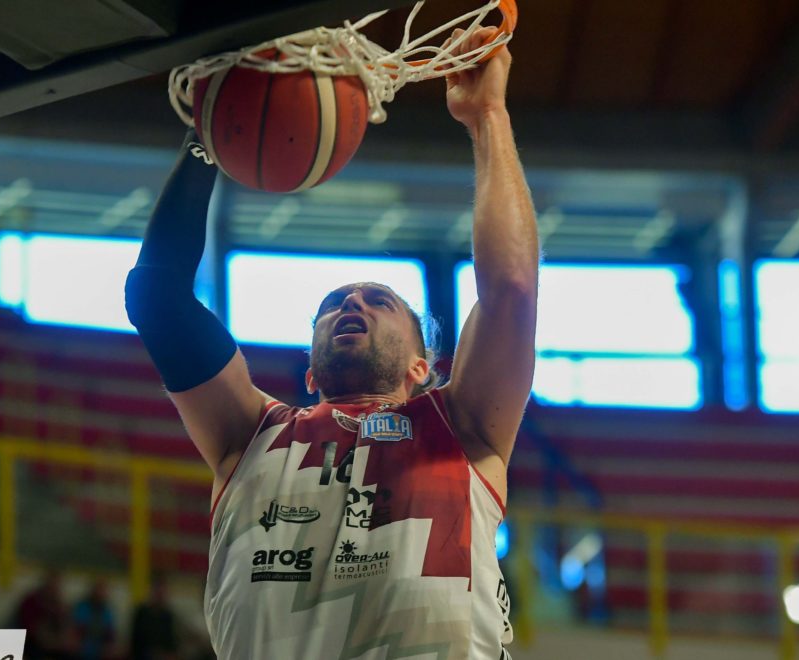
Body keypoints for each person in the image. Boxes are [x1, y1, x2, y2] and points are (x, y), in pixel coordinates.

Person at [125, 27, 537, 660]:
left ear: (422, 367)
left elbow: (510, 287)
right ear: (310, 374)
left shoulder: (462, 425)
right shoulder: (251, 433)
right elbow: (157, 296)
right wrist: (212, 131)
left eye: (379, 301)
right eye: (333, 306)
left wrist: (488, 117)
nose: (351, 304)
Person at [129, 576, 180, 660]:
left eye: (162, 593)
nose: (160, 595)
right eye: (158, 592)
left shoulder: (167, 617)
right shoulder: (141, 613)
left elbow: (171, 642)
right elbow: (135, 642)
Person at [71, 578, 117, 660]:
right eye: (99, 590)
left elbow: (110, 632)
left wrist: (110, 645)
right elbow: (77, 628)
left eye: (104, 591)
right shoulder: (83, 607)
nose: (101, 594)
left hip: (101, 651)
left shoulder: (107, 611)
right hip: (82, 650)